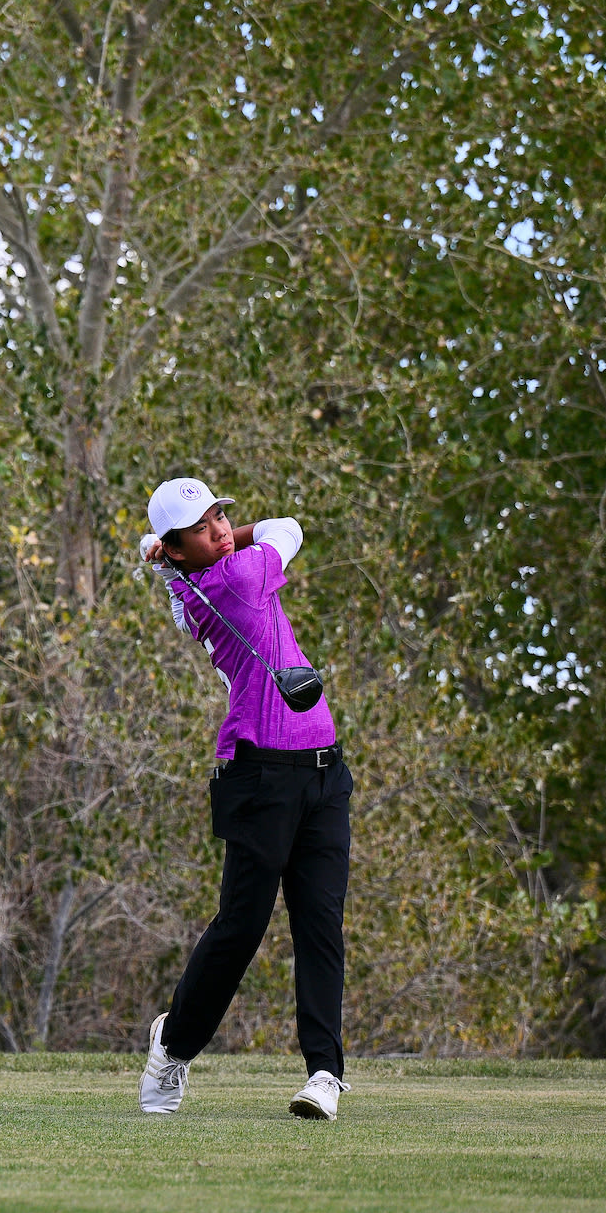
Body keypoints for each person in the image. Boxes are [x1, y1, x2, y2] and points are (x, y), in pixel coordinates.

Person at [135, 476, 352, 1121]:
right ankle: (173, 1045)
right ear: (178, 550)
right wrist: (244, 534)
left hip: (322, 769)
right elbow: (292, 527)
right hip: (258, 772)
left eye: (221, 518)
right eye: (204, 529)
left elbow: (209, 545)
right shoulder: (239, 578)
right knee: (242, 927)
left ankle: (324, 1075)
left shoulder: (192, 576)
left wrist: (169, 543)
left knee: (320, 924)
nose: (222, 530)